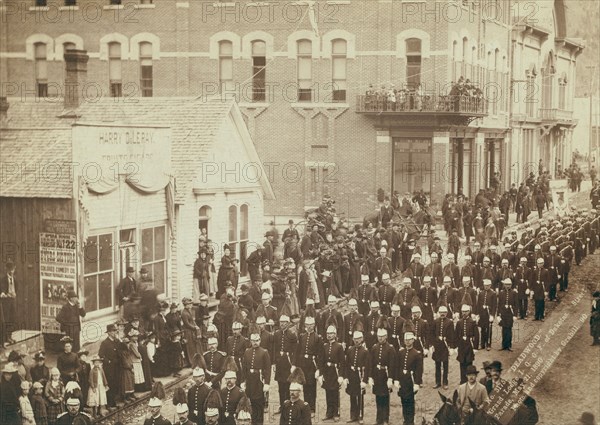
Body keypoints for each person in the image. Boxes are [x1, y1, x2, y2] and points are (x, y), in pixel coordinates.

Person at [292, 316, 322, 414]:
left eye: (311, 324)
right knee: (304, 386)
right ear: (305, 325)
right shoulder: (302, 336)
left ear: (314, 325)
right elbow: (297, 351)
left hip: (312, 365)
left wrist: (318, 369)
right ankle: (305, 407)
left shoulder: (317, 338)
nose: (309, 326)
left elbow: (320, 355)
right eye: (308, 325)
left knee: (312, 386)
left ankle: (312, 408)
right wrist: (294, 364)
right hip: (303, 365)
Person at [241, 331, 271, 425]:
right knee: (251, 402)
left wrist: (266, 383)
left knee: (258, 403)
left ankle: (259, 422)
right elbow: (244, 368)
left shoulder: (264, 352)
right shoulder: (247, 352)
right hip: (250, 381)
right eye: (253, 340)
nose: (255, 342)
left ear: (260, 340)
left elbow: (267, 369)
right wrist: (243, 381)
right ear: (250, 341)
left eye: (257, 340)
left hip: (259, 380)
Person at [318, 325, 345, 422]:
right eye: (328, 334)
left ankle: (336, 412)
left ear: (335, 334)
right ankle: (329, 412)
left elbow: (342, 362)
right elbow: (321, 360)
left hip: (335, 372)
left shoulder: (339, 346)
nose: (329, 335)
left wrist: (341, 375)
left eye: (331, 333)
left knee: (335, 393)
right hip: (327, 373)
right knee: (328, 392)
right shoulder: (324, 346)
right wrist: (321, 374)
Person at [369, 327, 395, 425]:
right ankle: (379, 418)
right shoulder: (374, 347)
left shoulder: (390, 348)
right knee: (378, 397)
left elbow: (392, 365)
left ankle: (385, 418)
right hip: (377, 376)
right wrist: (371, 377)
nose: (380, 338)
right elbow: (371, 363)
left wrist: (390, 378)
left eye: (382, 336)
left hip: (385, 375)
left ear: (386, 336)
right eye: (379, 336)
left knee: (385, 397)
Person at [396, 331, 423, 425]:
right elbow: (398, 367)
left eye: (409, 340)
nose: (407, 342)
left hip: (411, 382)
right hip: (403, 382)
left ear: (413, 340)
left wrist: (417, 383)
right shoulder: (401, 352)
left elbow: (419, 370)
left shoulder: (417, 354)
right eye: (406, 340)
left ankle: (410, 422)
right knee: (403, 401)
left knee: (410, 403)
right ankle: (405, 421)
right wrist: (397, 380)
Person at [98, 324, 123, 408]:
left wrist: (120, 340)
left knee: (117, 383)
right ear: (108, 332)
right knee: (110, 384)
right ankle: (110, 403)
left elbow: (123, 349)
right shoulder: (105, 343)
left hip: (117, 366)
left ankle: (116, 400)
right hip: (109, 367)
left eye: (115, 331)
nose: (114, 332)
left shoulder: (117, 341)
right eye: (113, 331)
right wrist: (108, 361)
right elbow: (100, 354)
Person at [432, 306, 454, 390]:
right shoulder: (435, 322)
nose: (442, 314)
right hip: (437, 346)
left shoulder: (450, 322)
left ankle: (445, 382)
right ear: (438, 313)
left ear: (447, 313)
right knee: (437, 364)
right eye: (441, 312)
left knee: (445, 364)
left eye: (444, 312)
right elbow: (432, 334)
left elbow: (452, 335)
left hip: (445, 346)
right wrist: (435, 342)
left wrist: (451, 346)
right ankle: (437, 382)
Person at [497, 278, 518, 351]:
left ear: (511, 285)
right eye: (506, 284)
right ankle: (503, 345)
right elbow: (499, 304)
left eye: (509, 284)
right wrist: (498, 315)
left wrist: (515, 315)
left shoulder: (514, 293)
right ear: (504, 285)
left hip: (510, 313)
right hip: (503, 313)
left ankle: (509, 345)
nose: (507, 286)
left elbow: (516, 304)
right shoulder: (501, 293)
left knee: (509, 329)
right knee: (503, 329)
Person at [0, 261, 18, 346]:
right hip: (6, 302)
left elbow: (16, 288)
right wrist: (3, 293)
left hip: (13, 301)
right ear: (7, 270)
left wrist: (15, 294)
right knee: (6, 319)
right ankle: (6, 337)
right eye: (10, 270)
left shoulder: (15, 279)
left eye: (13, 269)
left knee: (13, 319)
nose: (12, 271)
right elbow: (2, 289)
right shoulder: (3, 279)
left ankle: (10, 336)